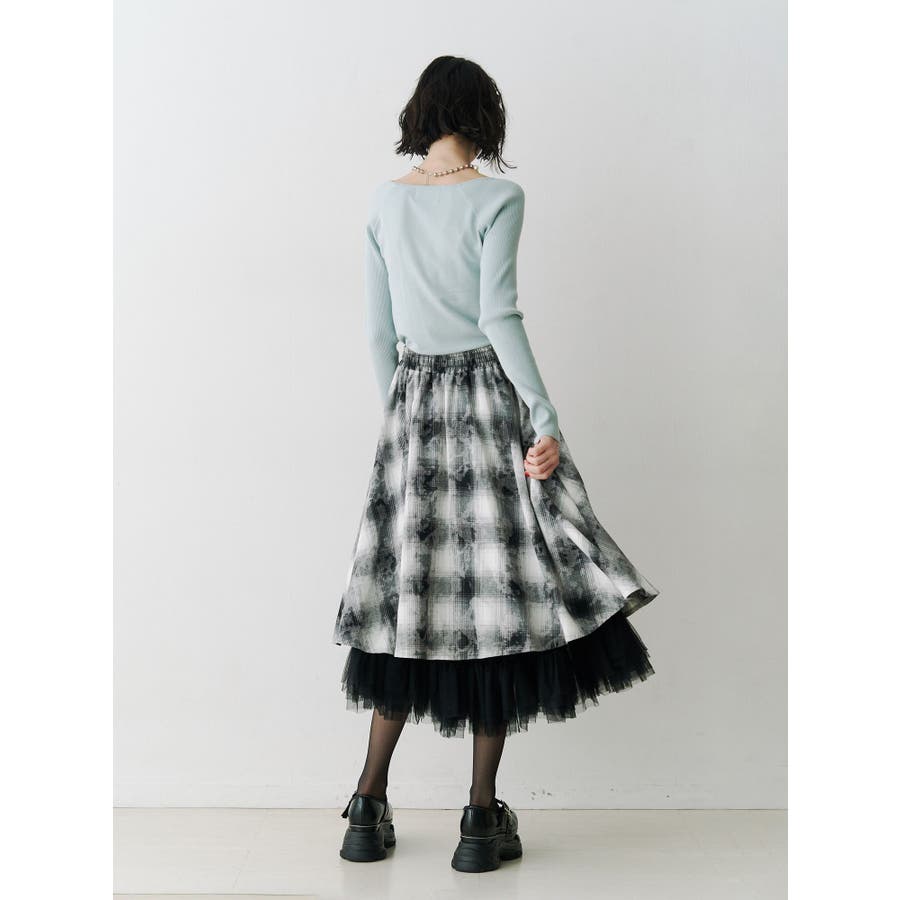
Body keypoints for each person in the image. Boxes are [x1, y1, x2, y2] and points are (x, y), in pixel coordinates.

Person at [332, 55, 660, 873]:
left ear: (421, 112)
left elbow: (376, 332)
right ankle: (480, 820)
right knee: (494, 602)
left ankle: (367, 806)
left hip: (412, 407)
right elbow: (498, 315)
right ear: (483, 115)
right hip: (485, 402)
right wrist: (543, 415)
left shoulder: (384, 201)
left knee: (410, 599)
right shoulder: (498, 197)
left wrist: (402, 417)